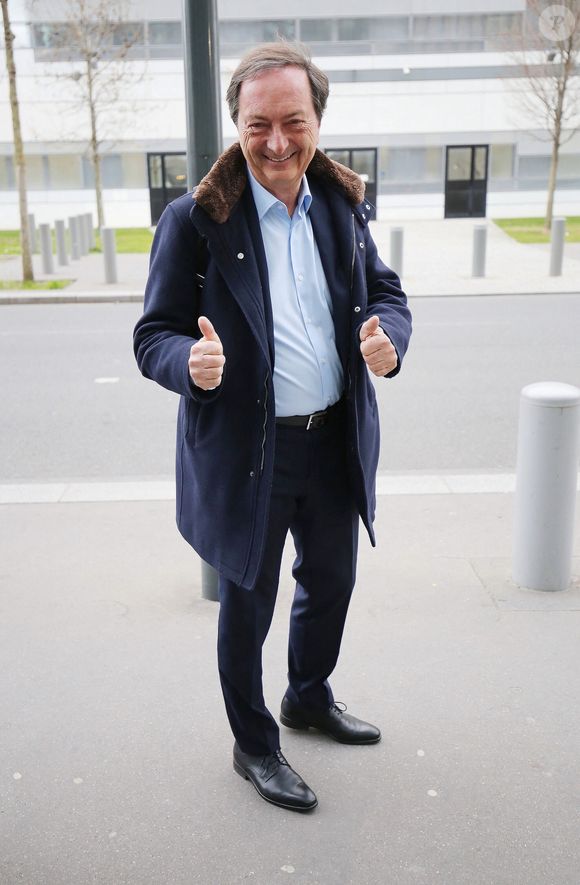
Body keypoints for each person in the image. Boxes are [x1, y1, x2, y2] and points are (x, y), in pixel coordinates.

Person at [133, 41, 412, 813]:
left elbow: (386, 292)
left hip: (330, 440)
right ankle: (254, 743)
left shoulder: (340, 204)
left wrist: (389, 338)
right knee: (246, 604)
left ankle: (307, 696)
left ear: (319, 119)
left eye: (295, 121)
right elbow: (150, 332)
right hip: (247, 452)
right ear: (237, 124)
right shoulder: (196, 220)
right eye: (259, 126)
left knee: (333, 581)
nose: (279, 142)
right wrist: (189, 360)